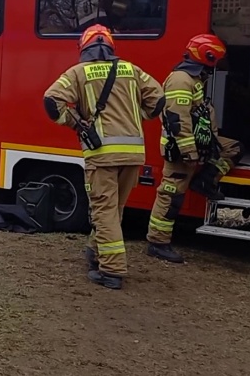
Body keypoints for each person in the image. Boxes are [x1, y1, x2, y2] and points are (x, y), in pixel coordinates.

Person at [43, 24, 164, 289]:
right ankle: (95, 252)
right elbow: (158, 100)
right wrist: (136, 118)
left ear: (84, 47)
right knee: (114, 209)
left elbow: (51, 101)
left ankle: (111, 270)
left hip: (102, 154)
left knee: (104, 210)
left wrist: (76, 123)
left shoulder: (79, 72)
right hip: (133, 153)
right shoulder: (132, 70)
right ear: (110, 46)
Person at [148, 33, 242, 263]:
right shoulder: (181, 80)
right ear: (207, 56)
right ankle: (157, 243)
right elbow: (177, 120)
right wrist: (189, 151)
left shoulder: (193, 78)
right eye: (216, 59)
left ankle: (205, 181)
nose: (217, 64)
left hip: (199, 142)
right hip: (181, 149)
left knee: (233, 148)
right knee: (171, 195)